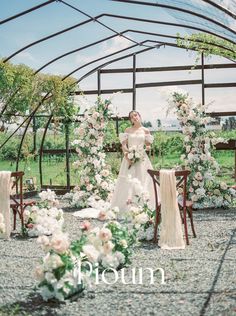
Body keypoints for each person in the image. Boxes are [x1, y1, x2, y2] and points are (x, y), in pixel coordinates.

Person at [110, 110, 155, 215]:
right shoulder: (128, 130)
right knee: (128, 182)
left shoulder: (146, 130)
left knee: (143, 180)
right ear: (130, 120)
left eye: (136, 115)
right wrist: (128, 156)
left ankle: (144, 206)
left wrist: (146, 148)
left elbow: (148, 145)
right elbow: (124, 146)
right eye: (131, 117)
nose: (134, 117)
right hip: (129, 159)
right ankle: (126, 207)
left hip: (142, 160)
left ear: (139, 116)